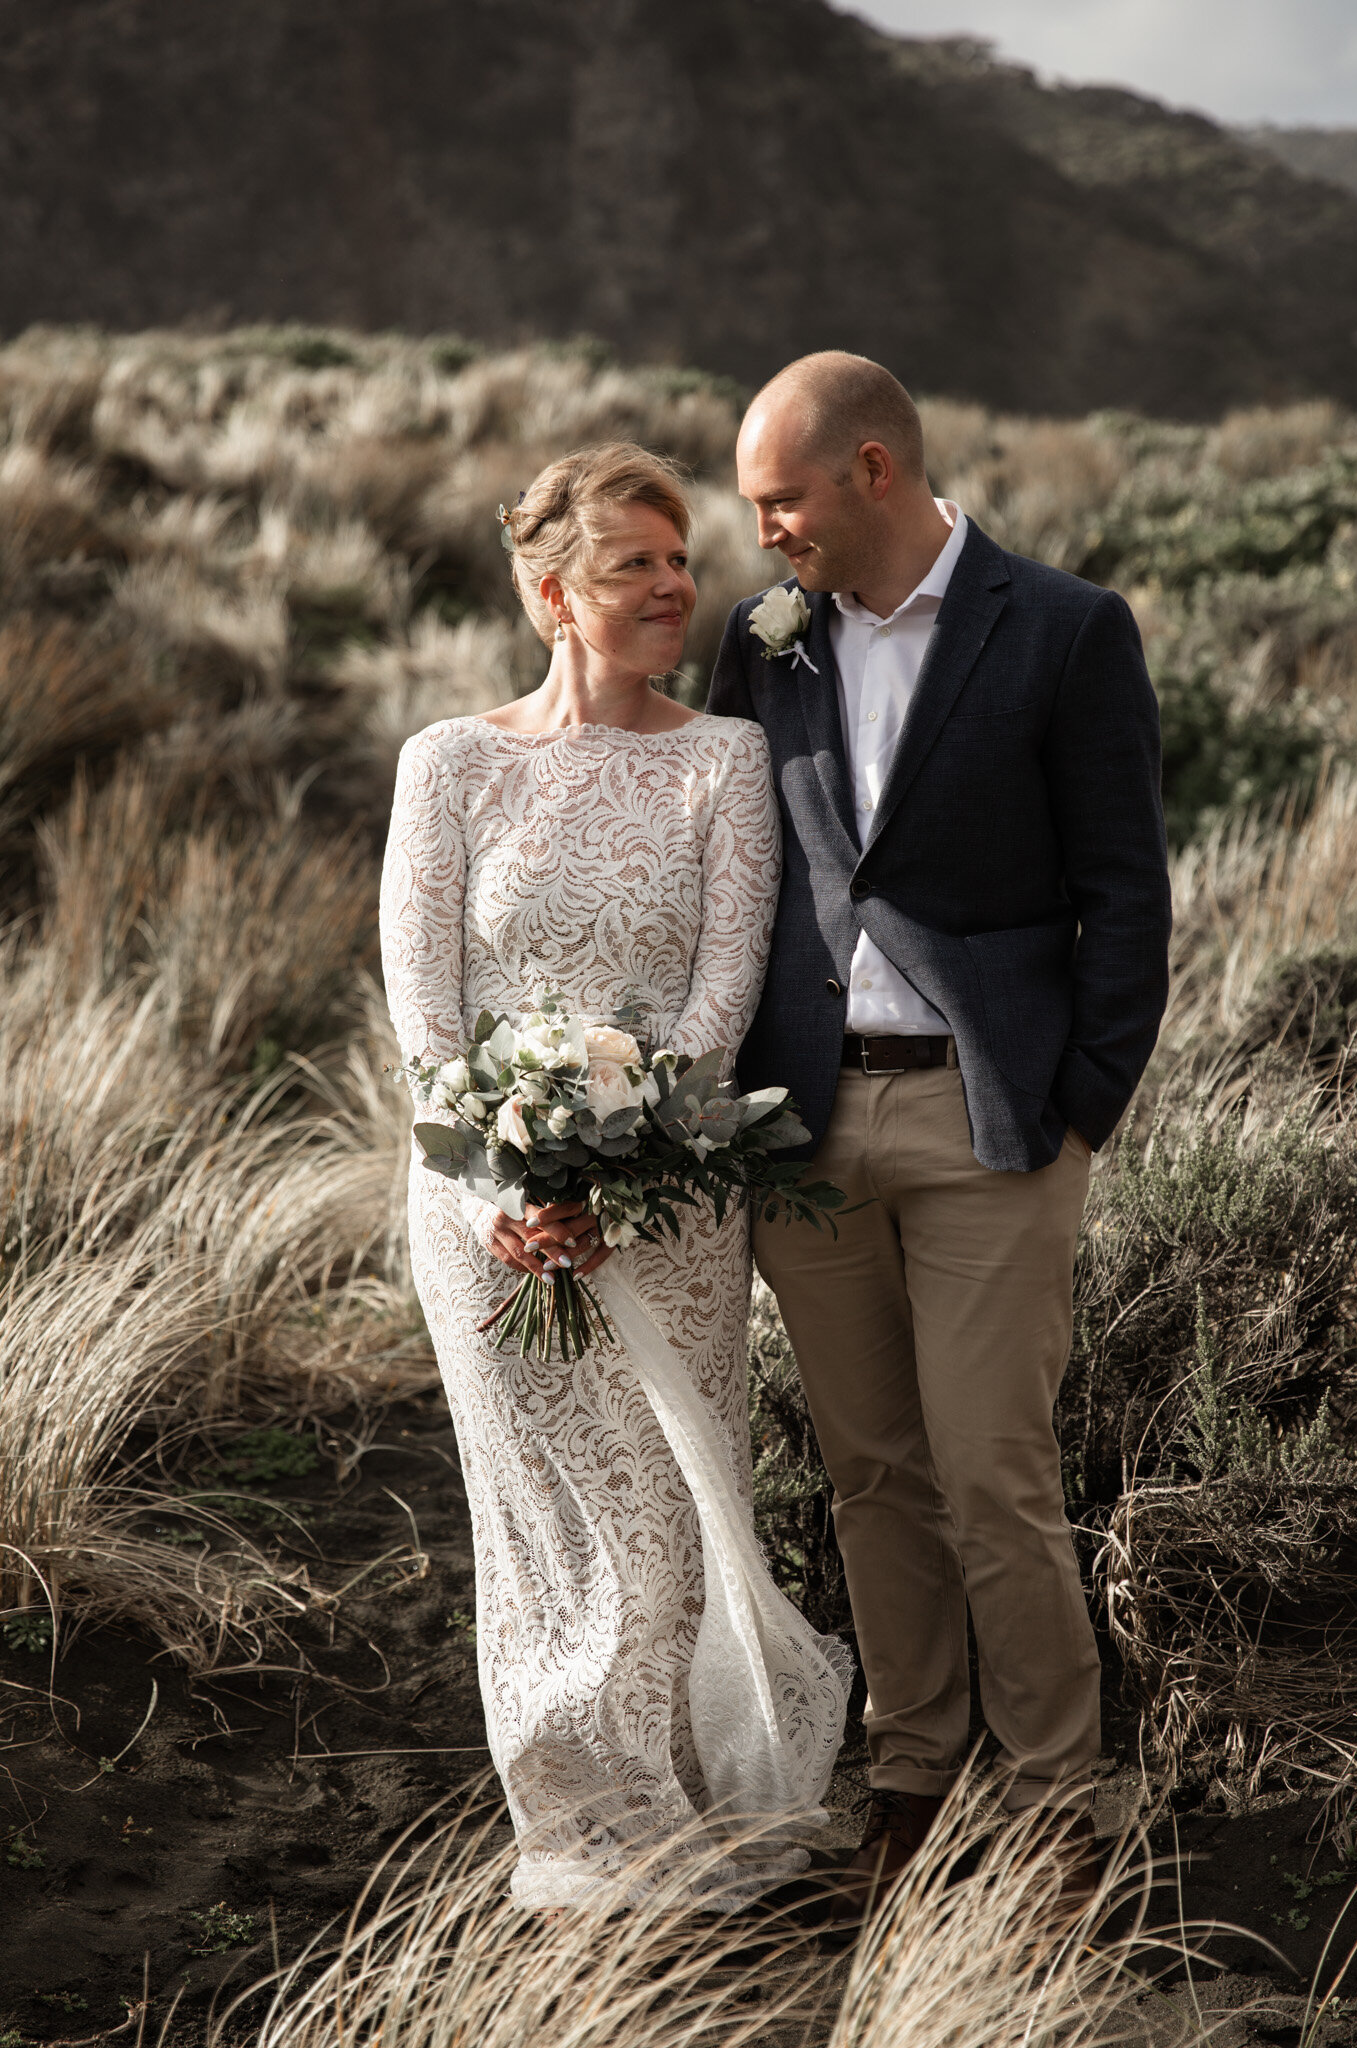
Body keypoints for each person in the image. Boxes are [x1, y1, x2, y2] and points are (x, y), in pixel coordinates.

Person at [707, 352, 1171, 1924]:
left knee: (991, 1470)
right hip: (805, 1120)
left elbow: (1126, 892)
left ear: (875, 474)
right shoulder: (759, 644)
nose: (759, 529)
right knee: (870, 1474)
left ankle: (1057, 1806)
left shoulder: (1062, 628)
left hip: (990, 1124)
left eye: (779, 498)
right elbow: (736, 868)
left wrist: (1077, 1106)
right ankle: (912, 1778)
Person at [379, 442, 850, 1914]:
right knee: (536, 1521)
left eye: (680, 560)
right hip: (485, 1214)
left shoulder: (719, 759)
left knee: (664, 1515)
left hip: (673, 1203)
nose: (672, 589)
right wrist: (501, 1189)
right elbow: (424, 1018)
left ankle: (690, 1808)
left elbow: (722, 993)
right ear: (549, 596)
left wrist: (626, 1157)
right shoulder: (448, 763)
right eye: (631, 566)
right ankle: (579, 1829)